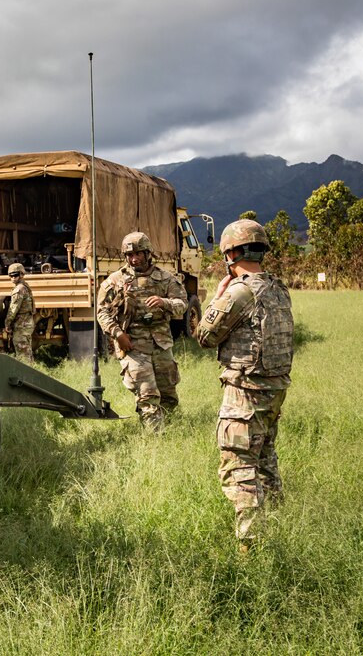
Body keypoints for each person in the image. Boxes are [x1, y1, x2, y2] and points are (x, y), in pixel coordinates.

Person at [196, 220, 293, 547]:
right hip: (274, 392)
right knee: (265, 460)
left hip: (245, 395)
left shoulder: (239, 292)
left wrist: (216, 298)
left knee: (240, 472)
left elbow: (205, 337)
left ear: (231, 253)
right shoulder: (279, 288)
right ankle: (280, 525)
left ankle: (250, 548)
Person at [96, 232, 187, 432]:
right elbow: (101, 312)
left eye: (138, 254)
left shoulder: (165, 279)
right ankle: (155, 440)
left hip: (161, 344)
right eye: (129, 255)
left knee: (168, 395)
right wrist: (118, 334)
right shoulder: (115, 281)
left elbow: (182, 304)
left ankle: (172, 432)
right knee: (148, 395)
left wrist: (165, 302)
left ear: (148, 253)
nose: (134, 259)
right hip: (133, 345)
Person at [4, 262, 36, 362]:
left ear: (22, 274)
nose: (13, 278)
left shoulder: (19, 289)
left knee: (22, 354)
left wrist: (7, 323)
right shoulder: (25, 286)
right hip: (26, 324)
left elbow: (13, 309)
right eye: (11, 276)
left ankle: (25, 376)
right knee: (27, 351)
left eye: (16, 275)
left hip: (21, 325)